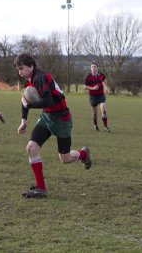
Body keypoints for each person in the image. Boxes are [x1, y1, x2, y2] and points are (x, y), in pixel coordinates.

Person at [14, 53, 92, 199]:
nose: (20, 72)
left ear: (31, 66)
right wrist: (24, 121)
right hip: (47, 117)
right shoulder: (29, 81)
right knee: (31, 147)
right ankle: (41, 188)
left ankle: (84, 154)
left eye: (22, 68)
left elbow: (48, 101)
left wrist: (29, 105)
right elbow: (25, 99)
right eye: (18, 69)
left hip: (61, 118)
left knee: (65, 158)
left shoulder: (40, 78)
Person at [84, 63, 111, 132]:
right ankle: (95, 125)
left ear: (97, 68)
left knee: (104, 111)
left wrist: (105, 87)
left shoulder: (101, 75)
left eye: (95, 67)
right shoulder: (88, 77)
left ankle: (105, 127)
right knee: (95, 114)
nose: (93, 68)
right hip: (93, 97)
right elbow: (85, 87)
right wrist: (93, 88)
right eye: (92, 67)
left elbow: (104, 80)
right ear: (91, 69)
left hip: (101, 95)